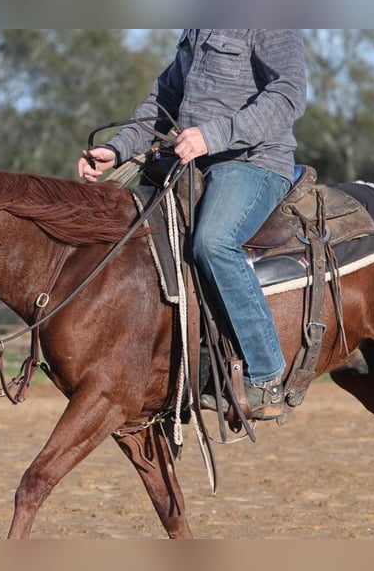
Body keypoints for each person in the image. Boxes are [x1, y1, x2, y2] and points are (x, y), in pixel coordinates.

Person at [77, 30, 307, 419]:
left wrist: (213, 136)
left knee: (214, 243)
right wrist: (116, 150)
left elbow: (289, 95)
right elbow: (162, 102)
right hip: (192, 162)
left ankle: (266, 377)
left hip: (254, 161)